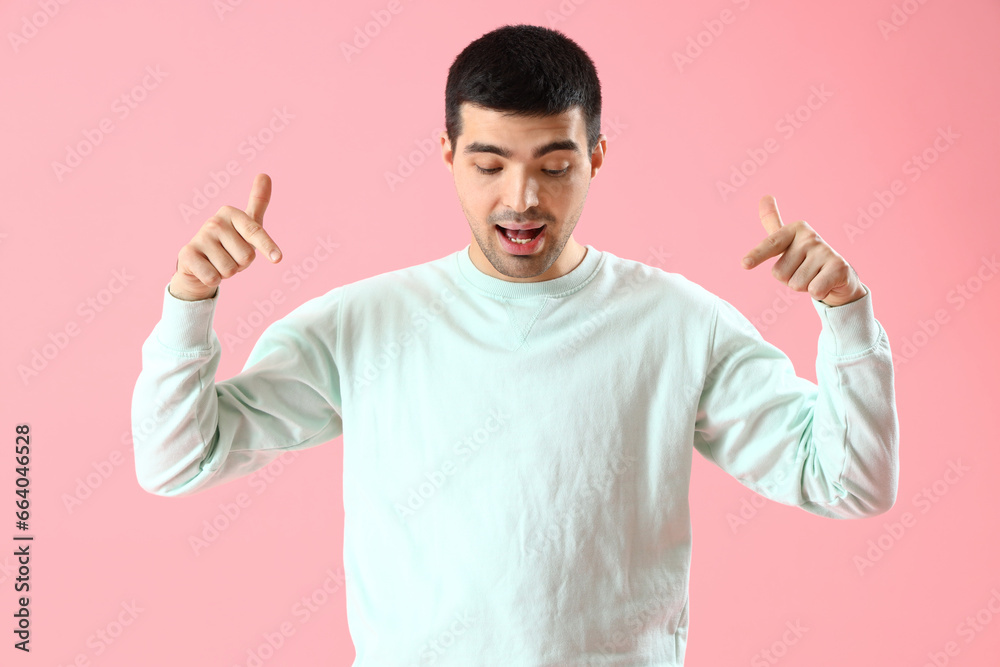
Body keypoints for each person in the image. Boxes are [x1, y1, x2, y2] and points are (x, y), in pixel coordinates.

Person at [131, 23, 898, 666]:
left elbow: (848, 481)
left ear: (597, 156)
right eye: (490, 163)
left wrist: (846, 312)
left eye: (555, 166)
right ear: (447, 155)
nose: (522, 198)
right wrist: (190, 302)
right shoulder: (361, 323)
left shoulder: (679, 324)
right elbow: (176, 460)